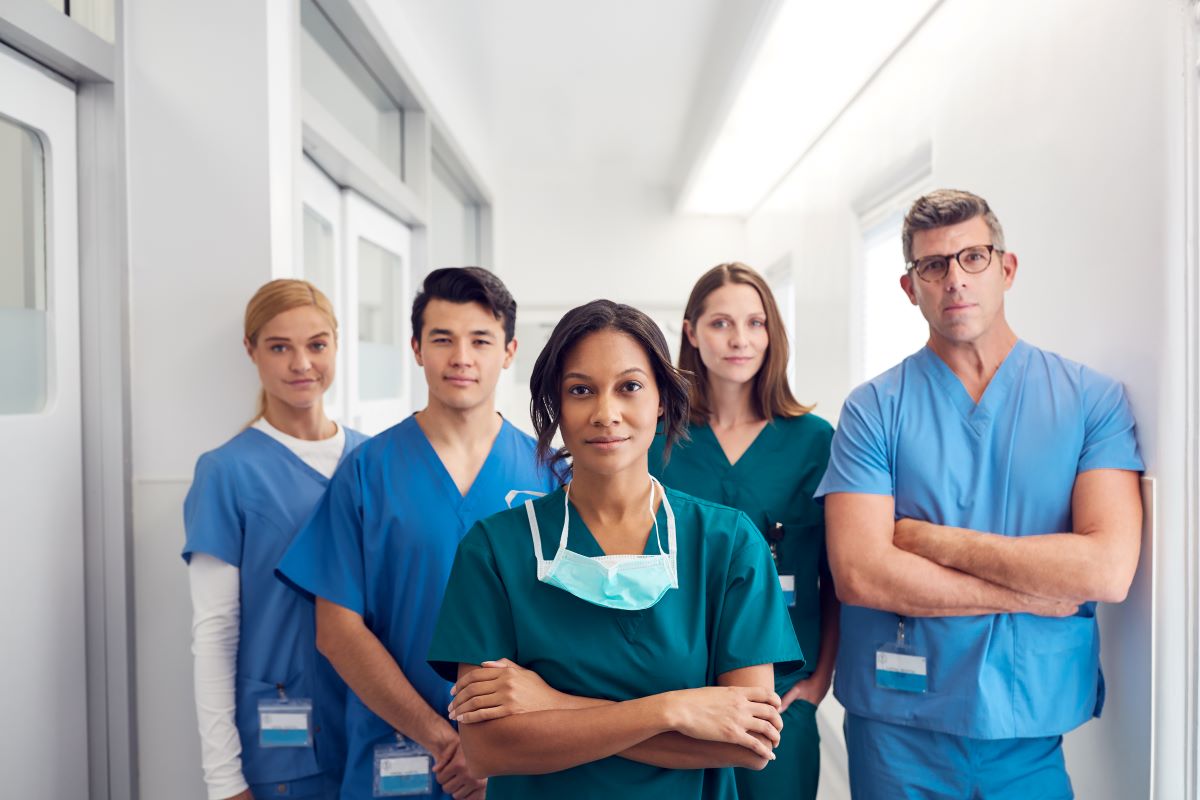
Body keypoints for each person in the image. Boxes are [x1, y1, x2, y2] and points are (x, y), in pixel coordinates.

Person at [816, 189, 1144, 799]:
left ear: (1006, 268)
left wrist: (932, 542)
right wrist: (1035, 593)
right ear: (910, 287)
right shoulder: (874, 410)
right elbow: (863, 574)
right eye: (933, 265)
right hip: (896, 732)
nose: (954, 280)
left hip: (1030, 728)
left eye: (972, 258)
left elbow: (1106, 569)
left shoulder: (1090, 402)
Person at [427, 299, 805, 799]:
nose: (606, 413)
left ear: (662, 401)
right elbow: (487, 749)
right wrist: (672, 710)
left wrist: (553, 705)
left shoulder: (727, 544)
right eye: (581, 390)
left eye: (629, 387)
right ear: (555, 408)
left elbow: (750, 743)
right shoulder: (495, 550)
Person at [277, 267, 556, 799]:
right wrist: (445, 744)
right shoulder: (368, 471)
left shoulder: (549, 477)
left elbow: (571, 634)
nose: (461, 358)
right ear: (416, 348)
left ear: (510, 350)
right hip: (395, 755)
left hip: (521, 762)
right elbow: (336, 631)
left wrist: (496, 752)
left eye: (480, 340)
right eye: (442, 339)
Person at [649, 262, 836, 800]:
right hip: (675, 694)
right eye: (721, 324)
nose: (740, 340)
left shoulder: (813, 442)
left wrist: (820, 680)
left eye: (756, 323)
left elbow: (835, 577)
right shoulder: (659, 440)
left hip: (780, 700)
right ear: (690, 332)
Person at [183, 279, 368, 800]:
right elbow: (214, 635)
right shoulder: (226, 472)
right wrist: (223, 779)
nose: (301, 364)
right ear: (251, 351)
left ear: (336, 343)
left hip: (378, 733)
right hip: (281, 747)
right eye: (279, 347)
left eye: (316, 345)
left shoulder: (374, 460)